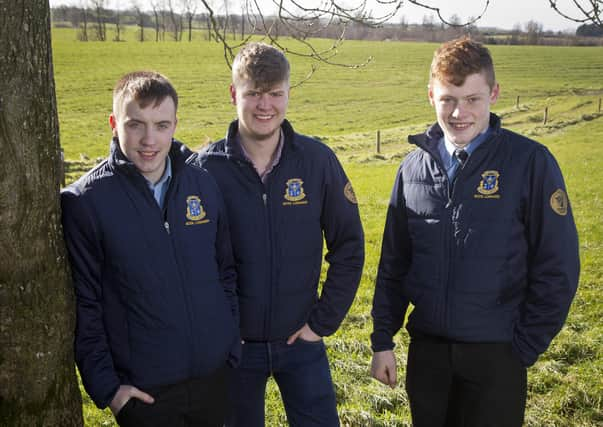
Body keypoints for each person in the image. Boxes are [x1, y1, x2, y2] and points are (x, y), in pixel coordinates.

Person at [370, 36, 580, 427]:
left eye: (472, 99)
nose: (458, 112)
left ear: (494, 94)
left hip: (497, 355)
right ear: (430, 95)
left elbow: (559, 265)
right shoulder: (412, 170)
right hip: (428, 357)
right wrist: (382, 339)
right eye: (448, 98)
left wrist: (524, 347)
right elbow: (394, 265)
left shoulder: (529, 163)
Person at [189, 42, 365, 426]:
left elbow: (349, 246)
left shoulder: (317, 161)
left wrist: (321, 323)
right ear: (234, 94)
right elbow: (187, 262)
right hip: (233, 349)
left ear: (288, 93)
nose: (265, 105)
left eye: (275, 94)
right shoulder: (203, 170)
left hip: (300, 340)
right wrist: (216, 333)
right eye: (253, 93)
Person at [61, 71, 240, 427]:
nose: (149, 139)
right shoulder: (85, 202)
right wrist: (109, 391)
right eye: (135, 125)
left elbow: (225, 272)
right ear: (114, 123)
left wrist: (229, 349)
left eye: (161, 125)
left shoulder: (202, 184)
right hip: (146, 397)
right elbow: (86, 305)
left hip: (215, 383)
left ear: (175, 124)